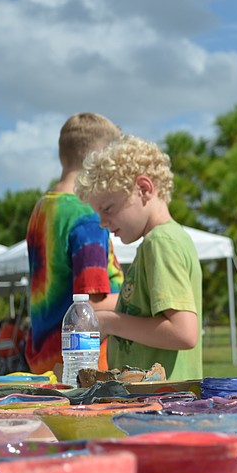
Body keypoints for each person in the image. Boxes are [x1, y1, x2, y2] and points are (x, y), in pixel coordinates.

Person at [74, 134, 203, 381]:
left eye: (108, 209)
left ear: (144, 189)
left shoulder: (160, 242)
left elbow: (184, 333)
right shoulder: (164, 240)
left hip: (161, 408)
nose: (102, 222)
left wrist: (110, 322)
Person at [25, 113, 124, 376]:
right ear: (99, 160)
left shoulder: (42, 208)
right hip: (81, 367)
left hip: (46, 360)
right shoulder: (86, 217)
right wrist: (139, 297)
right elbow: (89, 306)